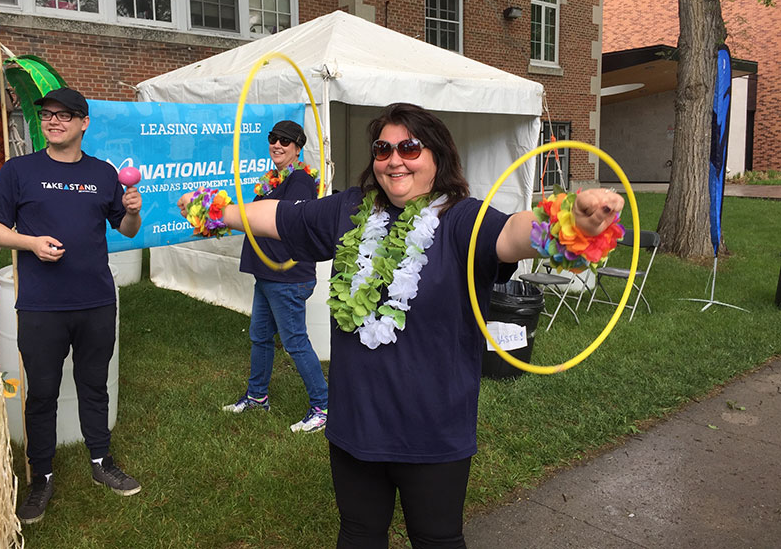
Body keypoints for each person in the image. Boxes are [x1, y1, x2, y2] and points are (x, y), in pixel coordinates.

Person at [178, 103, 623, 548]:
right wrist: (213, 211)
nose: (395, 159)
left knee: (436, 539)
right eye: (383, 148)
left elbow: (512, 234)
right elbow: (280, 216)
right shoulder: (352, 209)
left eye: (409, 147)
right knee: (357, 534)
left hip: (431, 429)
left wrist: (571, 223)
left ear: (437, 157)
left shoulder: (462, 218)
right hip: (356, 424)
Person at [0, 87, 143, 525]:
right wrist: (30, 243)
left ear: (83, 122)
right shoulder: (20, 171)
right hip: (41, 307)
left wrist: (132, 210)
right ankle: (42, 478)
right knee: (43, 394)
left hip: (95, 301)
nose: (54, 121)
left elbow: (126, 230)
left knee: (94, 384)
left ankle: (100, 462)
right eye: (48, 115)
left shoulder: (104, 173)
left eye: (65, 115)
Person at [222, 120, 329, 433]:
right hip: (267, 274)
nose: (277, 145)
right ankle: (257, 396)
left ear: (297, 147)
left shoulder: (300, 181)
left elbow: (286, 223)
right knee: (260, 336)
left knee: (295, 342)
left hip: (288, 276)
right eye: (273, 139)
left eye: (285, 141)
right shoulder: (274, 179)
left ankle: (323, 407)